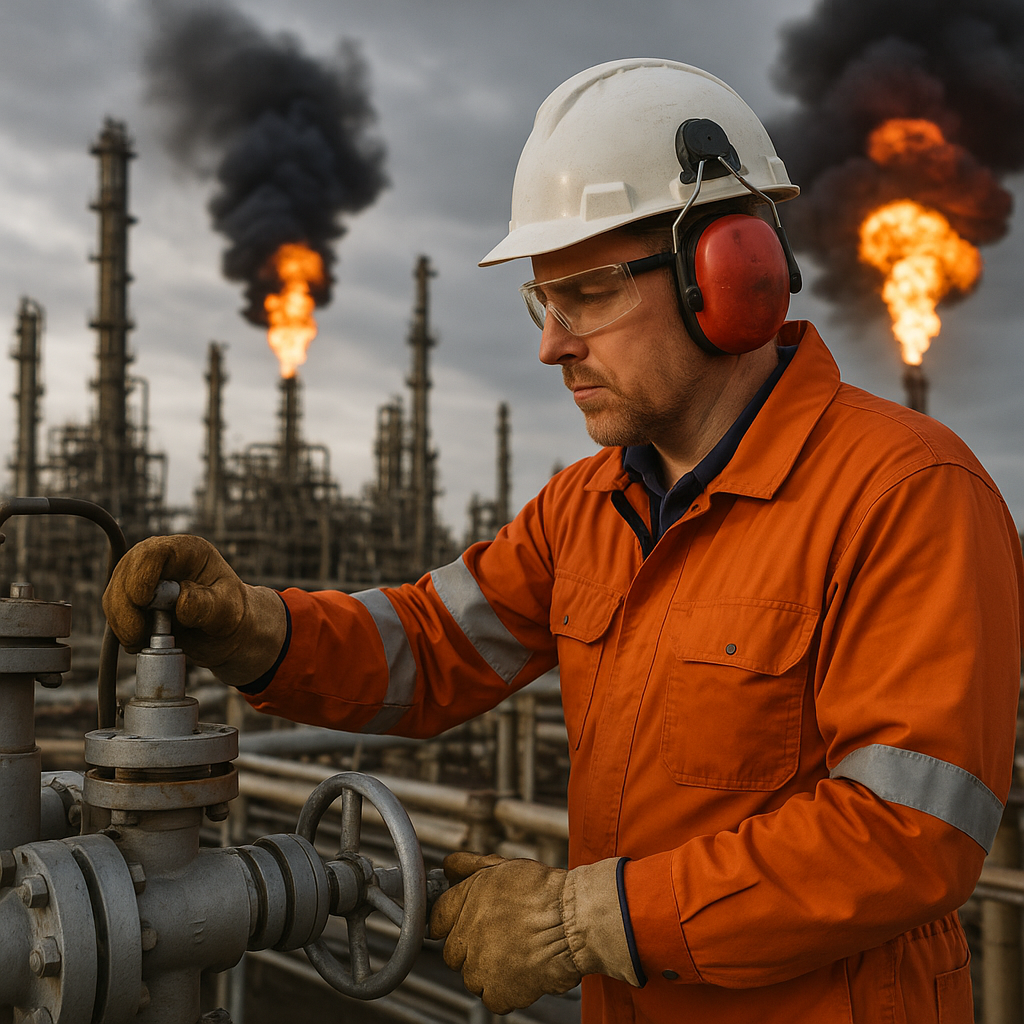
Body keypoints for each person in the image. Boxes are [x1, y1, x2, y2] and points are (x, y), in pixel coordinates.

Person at [104, 59, 1024, 1023]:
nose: (552, 344)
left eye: (585, 293)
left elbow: (908, 836)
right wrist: (256, 630)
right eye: (544, 302)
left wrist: (580, 924)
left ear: (730, 273)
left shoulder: (907, 493)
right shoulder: (589, 507)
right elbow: (431, 642)